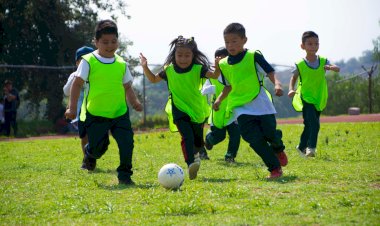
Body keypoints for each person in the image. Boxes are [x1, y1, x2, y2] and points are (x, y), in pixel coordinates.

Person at [65, 19, 142, 185]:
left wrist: (134, 102)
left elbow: (127, 86)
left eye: (113, 41)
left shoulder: (121, 63)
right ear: (96, 42)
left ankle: (125, 175)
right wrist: (71, 107)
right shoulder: (88, 61)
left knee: (127, 143)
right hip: (96, 113)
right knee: (100, 147)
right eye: (105, 42)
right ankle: (90, 153)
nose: (110, 45)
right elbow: (77, 84)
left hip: (120, 113)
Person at [213, 23, 288, 179]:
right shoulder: (224, 64)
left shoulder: (253, 56)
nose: (230, 45)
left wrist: (278, 84)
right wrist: (219, 100)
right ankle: (274, 168)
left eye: (234, 41)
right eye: (227, 42)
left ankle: (278, 148)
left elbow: (269, 72)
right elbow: (228, 86)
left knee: (270, 133)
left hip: (260, 103)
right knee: (252, 138)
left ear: (244, 40)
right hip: (240, 107)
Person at [139, 36, 219, 180]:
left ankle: (195, 155)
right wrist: (145, 66)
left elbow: (215, 75)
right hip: (178, 108)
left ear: (193, 55)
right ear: (174, 55)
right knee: (186, 135)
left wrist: (217, 65)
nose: (183, 59)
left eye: (187, 55)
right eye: (179, 55)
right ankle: (190, 164)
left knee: (197, 141)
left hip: (196, 109)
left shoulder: (198, 69)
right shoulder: (169, 70)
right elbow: (153, 79)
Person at [288, 31, 340, 157]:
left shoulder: (323, 61)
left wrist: (331, 68)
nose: (313, 46)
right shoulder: (300, 64)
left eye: (316, 44)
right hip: (306, 96)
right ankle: (311, 148)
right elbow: (293, 78)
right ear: (303, 46)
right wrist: (291, 89)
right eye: (310, 44)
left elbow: (337, 68)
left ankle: (301, 147)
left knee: (309, 124)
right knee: (315, 124)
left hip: (319, 97)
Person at [201, 47, 241, 163]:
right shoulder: (212, 74)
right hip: (218, 110)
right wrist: (210, 89)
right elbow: (205, 89)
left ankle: (230, 156)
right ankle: (208, 140)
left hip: (233, 109)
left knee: (235, 133)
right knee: (219, 136)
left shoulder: (234, 71)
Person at [63, 46, 94, 169]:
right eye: (82, 60)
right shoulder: (74, 75)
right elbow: (66, 91)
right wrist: (76, 78)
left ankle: (91, 156)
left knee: (95, 137)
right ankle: (87, 161)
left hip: (95, 109)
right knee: (84, 137)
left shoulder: (96, 75)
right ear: (77, 63)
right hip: (79, 112)